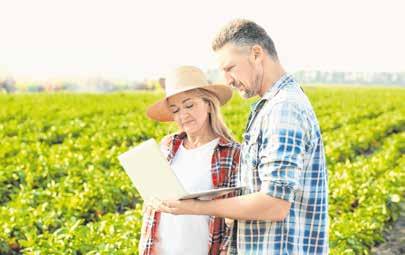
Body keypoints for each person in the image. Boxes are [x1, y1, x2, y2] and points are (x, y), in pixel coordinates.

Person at [154, 19, 329, 254]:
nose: (227, 79)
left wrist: (194, 207)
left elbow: (274, 204)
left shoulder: (283, 109)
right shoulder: (269, 107)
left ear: (257, 54)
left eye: (229, 68)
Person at [139, 65, 241, 255]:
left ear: (209, 105)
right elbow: (153, 204)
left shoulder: (232, 153)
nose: (183, 115)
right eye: (175, 110)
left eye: (189, 105)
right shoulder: (168, 146)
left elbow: (236, 219)